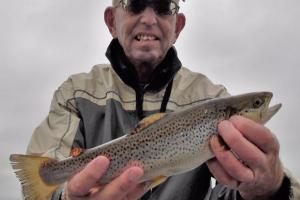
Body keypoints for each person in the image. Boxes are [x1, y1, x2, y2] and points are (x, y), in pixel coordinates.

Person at [26, 0, 300, 199]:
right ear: (112, 21)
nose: (148, 18)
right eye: (135, 4)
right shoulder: (75, 94)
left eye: (162, 6)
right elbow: (38, 193)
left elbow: (232, 190)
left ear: (177, 25)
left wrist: (270, 189)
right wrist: (66, 197)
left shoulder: (212, 99)